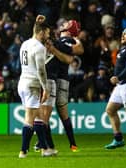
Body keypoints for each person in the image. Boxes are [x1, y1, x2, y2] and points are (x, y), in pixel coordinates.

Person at [36, 19, 84, 152]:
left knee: (57, 112)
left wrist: (53, 46)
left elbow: (72, 55)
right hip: (54, 78)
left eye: (66, 23)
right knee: (52, 112)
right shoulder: (61, 40)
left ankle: (49, 144)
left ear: (69, 29)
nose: (63, 24)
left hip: (59, 79)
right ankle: (67, 144)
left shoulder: (66, 40)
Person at [17, 15, 54, 158]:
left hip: (22, 82)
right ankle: (23, 151)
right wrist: (45, 88)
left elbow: (36, 30)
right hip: (32, 84)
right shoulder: (39, 47)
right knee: (30, 118)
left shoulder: (25, 43)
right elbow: (40, 70)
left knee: (39, 116)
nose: (48, 36)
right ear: (42, 32)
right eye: (47, 33)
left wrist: (37, 23)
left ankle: (45, 149)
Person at [104, 28, 126, 150]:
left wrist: (118, 77)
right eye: (122, 33)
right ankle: (118, 139)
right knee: (110, 110)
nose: (123, 35)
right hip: (121, 85)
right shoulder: (123, 49)